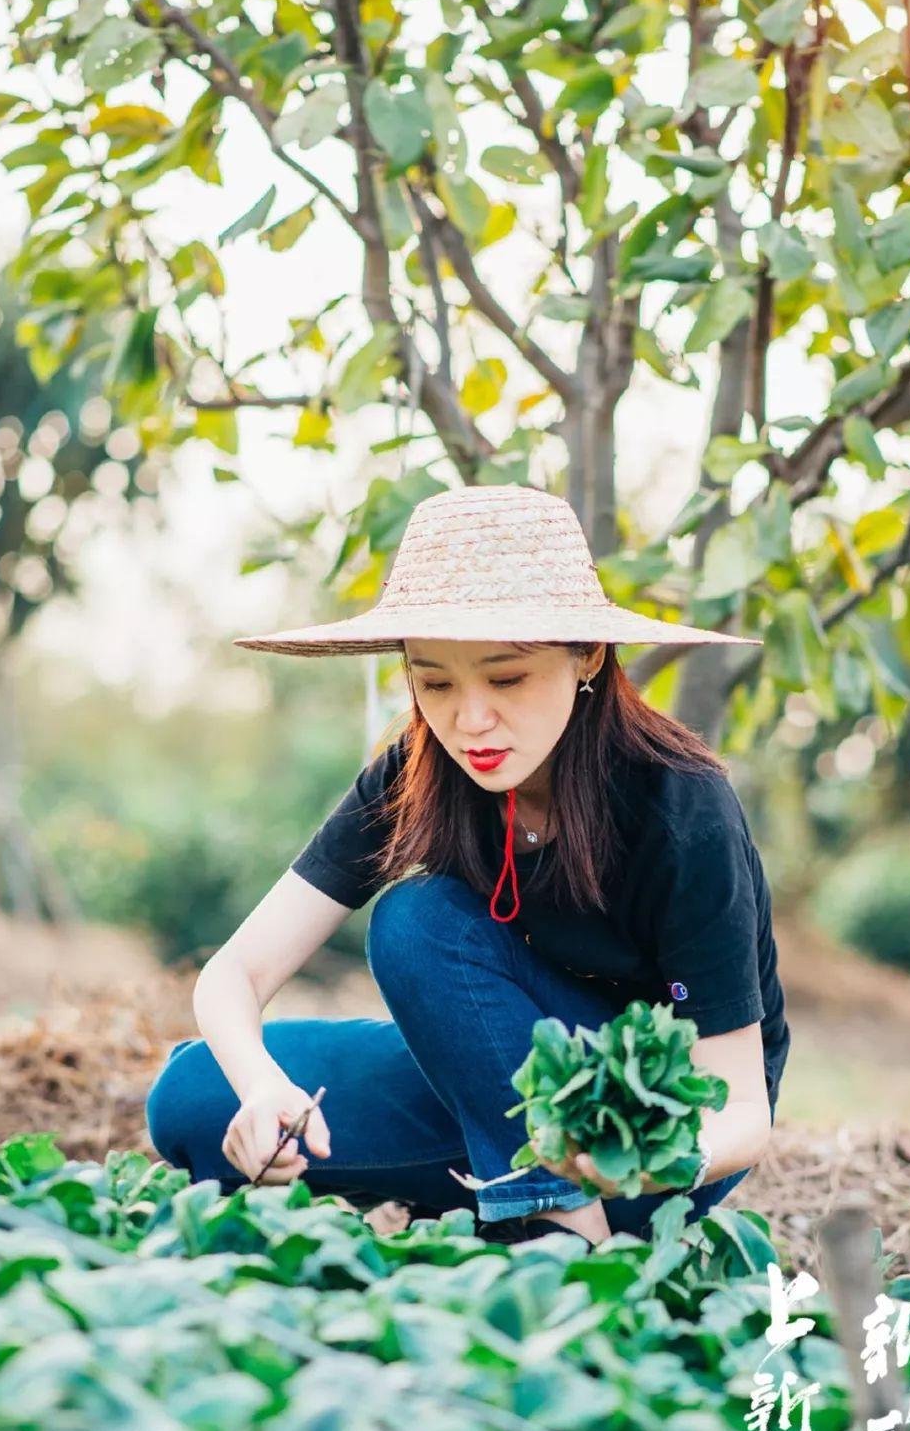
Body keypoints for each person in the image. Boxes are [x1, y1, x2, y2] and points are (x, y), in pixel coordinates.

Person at [145, 484, 790, 1250]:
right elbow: (234, 974)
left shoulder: (680, 806)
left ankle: (559, 1229)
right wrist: (262, 1091)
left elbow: (742, 1108)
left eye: (506, 677)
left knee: (418, 918)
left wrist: (635, 1158)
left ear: (586, 654)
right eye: (436, 681)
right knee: (192, 1094)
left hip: (643, 1141)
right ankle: (509, 1192)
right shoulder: (419, 774)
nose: (469, 719)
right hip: (492, 1082)